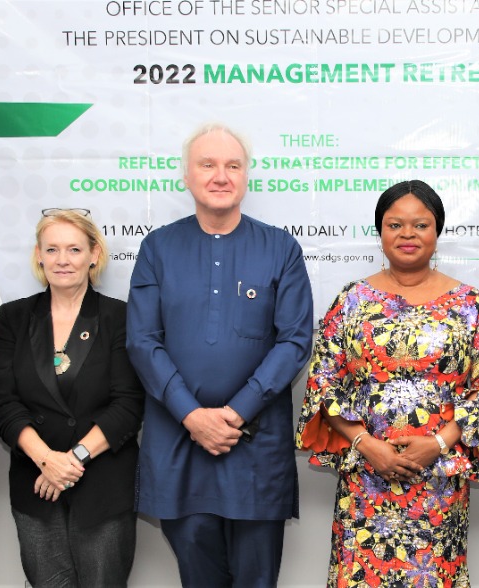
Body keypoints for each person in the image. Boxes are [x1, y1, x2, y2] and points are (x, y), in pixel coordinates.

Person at [296, 179, 479, 587]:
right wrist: (367, 445)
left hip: (439, 479)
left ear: (438, 231)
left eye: (421, 225)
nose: (408, 235)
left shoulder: (470, 305)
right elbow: (323, 385)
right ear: (380, 231)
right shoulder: (351, 301)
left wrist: (437, 444)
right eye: (395, 224)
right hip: (366, 474)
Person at [126, 123, 314, 588]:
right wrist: (192, 416)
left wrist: (234, 413)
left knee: (257, 579)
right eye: (207, 164)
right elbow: (142, 341)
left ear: (247, 176)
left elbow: (294, 341)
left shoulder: (281, 248)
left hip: (253, 444)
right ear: (186, 176)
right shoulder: (158, 248)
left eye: (233, 165)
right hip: (179, 441)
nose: (220, 176)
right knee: (197, 576)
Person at [0, 208, 145, 586]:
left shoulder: (120, 317)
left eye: (74, 250)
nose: (62, 260)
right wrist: (46, 461)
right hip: (36, 484)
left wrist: (71, 461)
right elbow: (4, 402)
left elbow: (128, 404)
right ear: (38, 255)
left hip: (103, 485)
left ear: (94, 255)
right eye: (52, 249)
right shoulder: (13, 317)